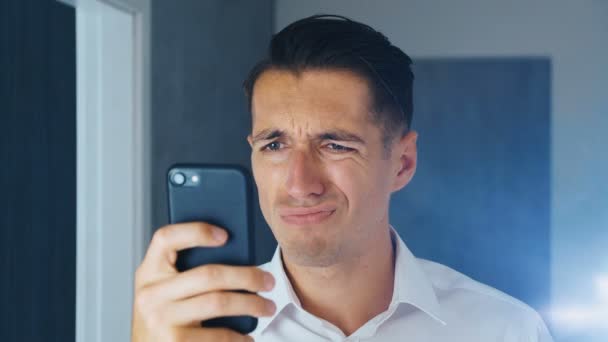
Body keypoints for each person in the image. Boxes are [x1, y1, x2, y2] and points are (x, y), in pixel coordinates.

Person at [131, 15, 553, 342]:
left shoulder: (504, 330)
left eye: (335, 146)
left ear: (402, 163)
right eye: (274, 146)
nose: (299, 184)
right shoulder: (186, 330)